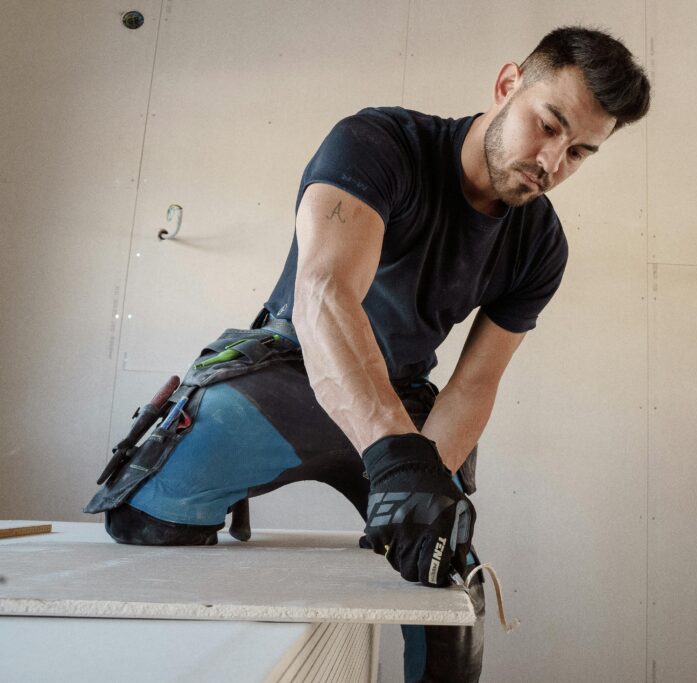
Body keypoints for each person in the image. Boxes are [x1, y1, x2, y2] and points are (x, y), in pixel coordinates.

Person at [86, 25, 650, 682]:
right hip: (292, 369)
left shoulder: (540, 245)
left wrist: (420, 486)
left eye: (580, 152)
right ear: (506, 86)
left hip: (403, 396)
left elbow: (474, 384)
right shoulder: (378, 144)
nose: (553, 163)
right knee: (147, 520)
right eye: (548, 126)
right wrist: (394, 458)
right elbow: (324, 294)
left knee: (444, 578)